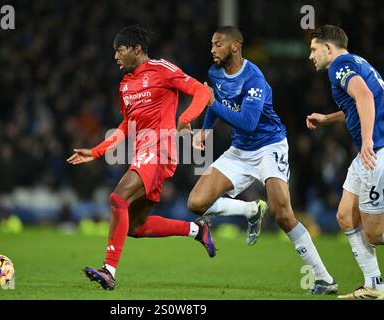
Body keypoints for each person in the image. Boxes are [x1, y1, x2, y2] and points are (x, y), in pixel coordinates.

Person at [187, 26, 337, 294]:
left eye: (218, 44)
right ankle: (251, 210)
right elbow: (216, 101)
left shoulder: (253, 77)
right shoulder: (214, 73)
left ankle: (323, 277)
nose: (212, 49)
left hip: (269, 146)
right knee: (196, 203)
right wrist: (204, 132)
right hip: (240, 150)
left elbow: (248, 121)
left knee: (282, 213)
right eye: (211, 44)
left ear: (235, 46)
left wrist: (211, 104)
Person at [67, 25, 214, 290]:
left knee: (117, 198)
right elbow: (126, 124)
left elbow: (203, 92)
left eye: (120, 50)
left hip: (160, 151)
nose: (115, 56)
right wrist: (97, 151)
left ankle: (109, 270)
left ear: (137, 49)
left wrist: (185, 118)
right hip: (143, 154)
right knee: (135, 226)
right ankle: (197, 230)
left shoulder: (162, 70)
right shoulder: (125, 85)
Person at [307, 24, 384, 299]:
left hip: (375, 151)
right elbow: (360, 101)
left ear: (329, 48)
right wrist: (328, 119)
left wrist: (366, 141)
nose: (311, 55)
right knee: (345, 216)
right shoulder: (358, 62)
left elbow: (363, 96)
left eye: (314, 49)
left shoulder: (339, 65)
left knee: (374, 234)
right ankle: (374, 285)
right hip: (371, 151)